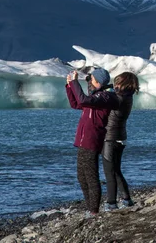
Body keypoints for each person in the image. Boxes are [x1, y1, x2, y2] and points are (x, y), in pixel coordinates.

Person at [65, 68, 117, 218]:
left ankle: (94, 211)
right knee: (82, 176)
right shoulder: (95, 98)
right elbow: (76, 103)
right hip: (83, 141)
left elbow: (83, 100)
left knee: (91, 176)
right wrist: (70, 86)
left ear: (99, 82)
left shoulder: (105, 97)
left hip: (91, 140)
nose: (90, 82)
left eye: (92, 79)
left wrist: (75, 82)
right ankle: (90, 208)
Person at [102, 72, 140, 212]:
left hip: (110, 137)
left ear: (122, 84)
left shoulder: (118, 98)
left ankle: (111, 202)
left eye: (117, 82)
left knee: (109, 171)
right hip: (121, 137)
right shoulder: (128, 97)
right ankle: (126, 199)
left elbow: (102, 100)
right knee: (116, 169)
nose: (115, 85)